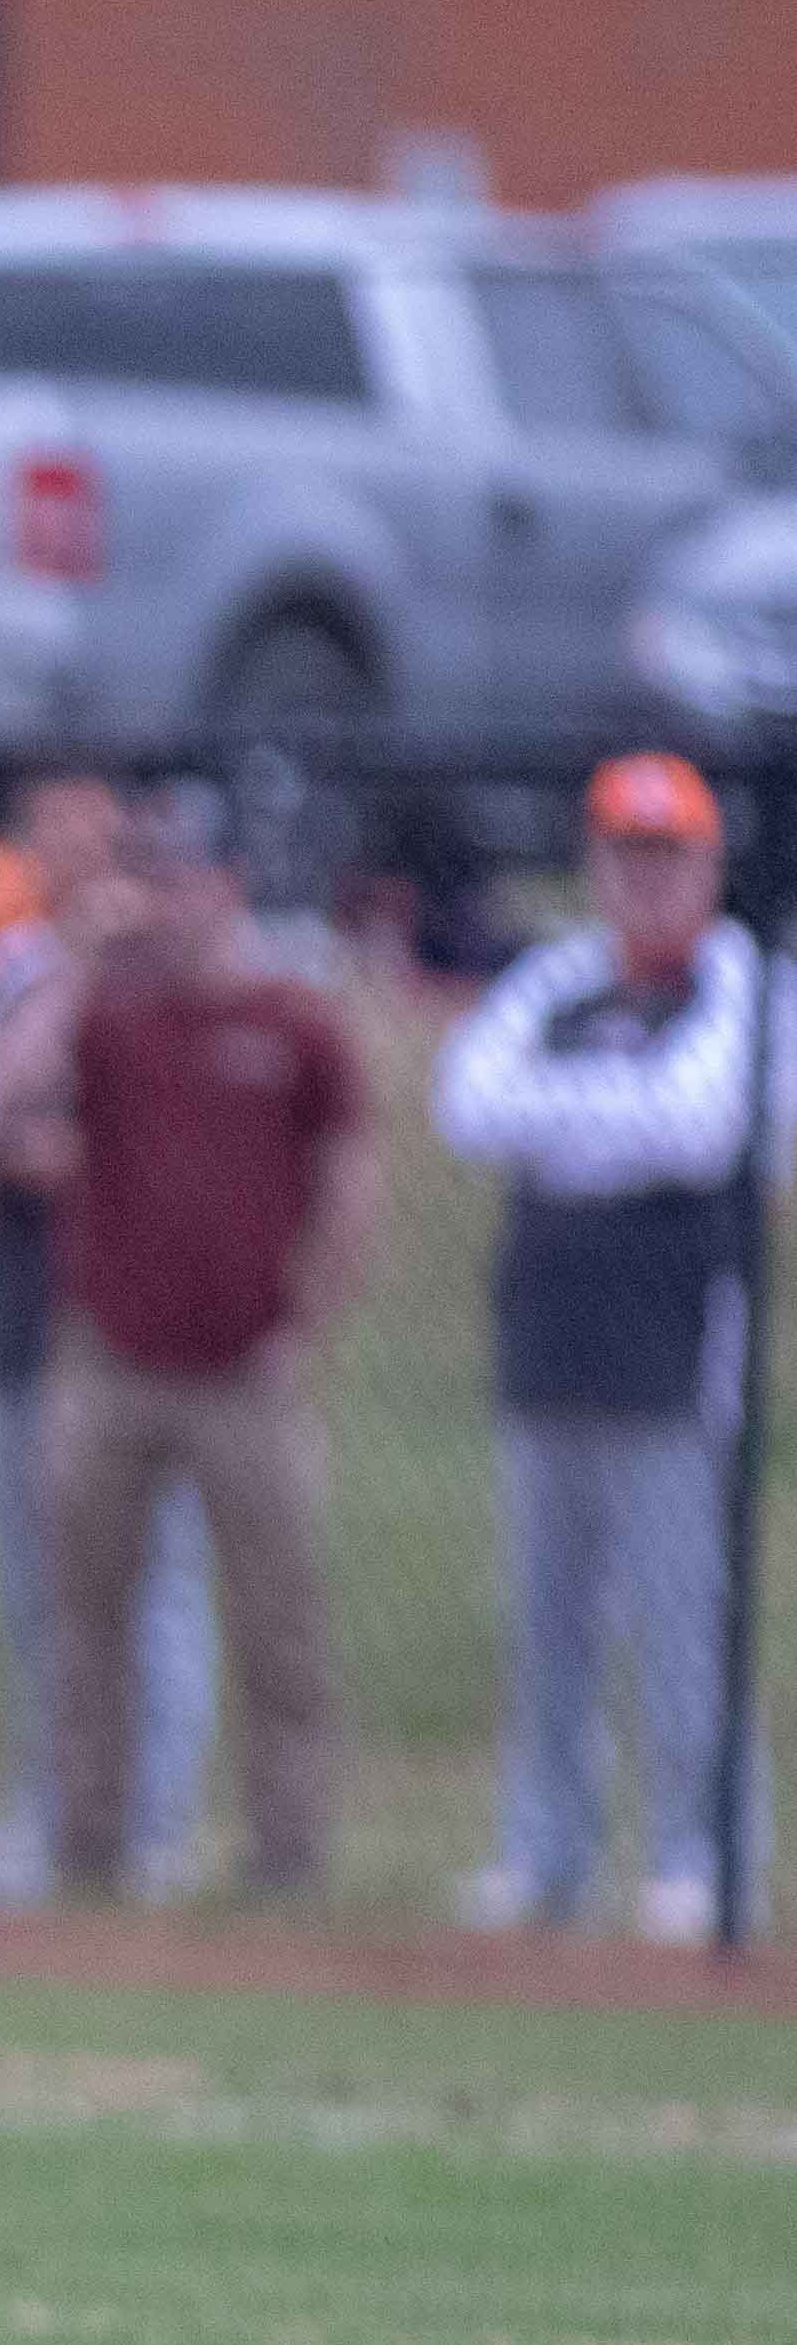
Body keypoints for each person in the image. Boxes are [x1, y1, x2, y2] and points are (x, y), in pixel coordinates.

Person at [0, 781, 378, 1907]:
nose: (163, 899)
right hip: (111, 1358)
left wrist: (308, 1315)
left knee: (278, 1620)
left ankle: (286, 1852)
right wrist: (77, 959)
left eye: (184, 877)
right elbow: (11, 1100)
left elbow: (350, 1176)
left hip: (245, 1366)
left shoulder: (291, 1021)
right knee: (84, 1614)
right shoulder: (105, 1012)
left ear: (231, 888)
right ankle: (88, 1841)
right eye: (149, 876)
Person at [434, 752, 776, 1947]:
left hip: (678, 1358)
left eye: (666, 856)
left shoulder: (746, 985)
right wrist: (607, 1120)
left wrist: (566, 1118)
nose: (643, 880)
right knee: (549, 1631)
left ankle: (700, 1859)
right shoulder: (557, 980)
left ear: (706, 865)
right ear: (594, 864)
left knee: (686, 1627)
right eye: (624, 856)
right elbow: (468, 1101)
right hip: (549, 1344)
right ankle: (547, 1854)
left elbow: (702, 1124)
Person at [0, 771, 219, 1905]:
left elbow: (185, 1158)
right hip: (29, 1322)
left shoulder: (184, 975)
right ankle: (53, 1814)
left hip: (148, 1332)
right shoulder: (17, 971)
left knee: (158, 1586)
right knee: (44, 1589)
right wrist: (74, 969)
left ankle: (157, 1828)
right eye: (48, 834)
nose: (75, 858)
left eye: (96, 835)